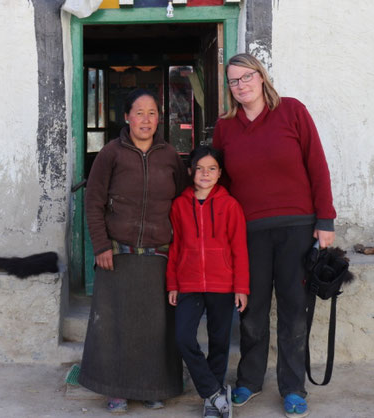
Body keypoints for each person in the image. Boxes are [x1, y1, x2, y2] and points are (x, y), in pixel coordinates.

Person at [212, 53, 336, 418]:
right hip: (249, 231)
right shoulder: (225, 126)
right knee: (251, 309)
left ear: (261, 76)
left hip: (297, 227)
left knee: (295, 309)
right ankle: (249, 379)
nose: (241, 86)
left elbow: (317, 164)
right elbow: (223, 182)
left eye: (246, 77)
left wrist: (325, 221)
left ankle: (293, 387)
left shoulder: (292, 111)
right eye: (233, 81)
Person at [78, 88, 187, 413]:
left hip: (158, 256)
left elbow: (181, 205)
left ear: (159, 118)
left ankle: (154, 387)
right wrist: (100, 245)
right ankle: (115, 389)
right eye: (139, 112)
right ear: (126, 117)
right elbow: (93, 201)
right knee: (114, 327)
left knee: (156, 328)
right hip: (117, 254)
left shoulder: (169, 156)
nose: (145, 119)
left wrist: (179, 253)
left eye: (152, 113)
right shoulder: (110, 154)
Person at [167, 145, 249, 418]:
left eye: (211, 168)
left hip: (222, 285)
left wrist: (241, 287)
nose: (205, 173)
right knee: (183, 337)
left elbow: (239, 248)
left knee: (219, 341)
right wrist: (173, 284)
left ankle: (211, 404)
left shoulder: (230, 205)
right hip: (188, 284)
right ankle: (214, 391)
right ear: (190, 171)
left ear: (219, 173)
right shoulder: (179, 205)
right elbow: (175, 246)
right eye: (200, 168)